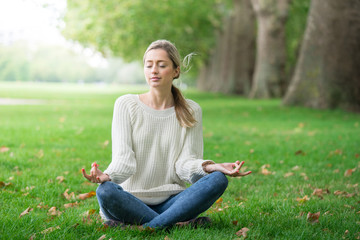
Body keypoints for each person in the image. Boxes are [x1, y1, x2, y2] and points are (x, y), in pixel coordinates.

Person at [82, 39, 251, 229]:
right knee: (105, 191)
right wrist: (107, 176)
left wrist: (212, 167)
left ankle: (146, 227)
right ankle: (175, 223)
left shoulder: (191, 110)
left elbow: (185, 165)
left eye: (162, 65)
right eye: (149, 65)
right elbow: (124, 161)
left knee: (218, 179)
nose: (154, 70)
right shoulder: (126, 105)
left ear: (176, 71)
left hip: (173, 202)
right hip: (130, 200)